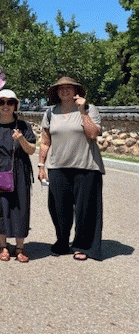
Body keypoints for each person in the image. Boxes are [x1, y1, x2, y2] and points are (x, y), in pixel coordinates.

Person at [38, 76, 104, 261]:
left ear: (76, 91)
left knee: (85, 210)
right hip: (57, 167)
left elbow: (93, 134)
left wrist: (82, 111)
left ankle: (82, 245)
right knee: (58, 209)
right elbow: (45, 141)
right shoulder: (50, 113)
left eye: (69, 87)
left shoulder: (90, 109)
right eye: (61, 88)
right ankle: (62, 241)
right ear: (56, 92)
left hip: (86, 166)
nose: (65, 90)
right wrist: (41, 165)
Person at [0, 89, 36, 263]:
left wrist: (21, 139)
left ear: (15, 105)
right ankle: (3, 246)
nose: (5, 106)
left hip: (20, 171)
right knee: (0, 208)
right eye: (1, 102)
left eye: (10, 102)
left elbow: (31, 150)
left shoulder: (24, 126)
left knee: (20, 208)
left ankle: (19, 247)